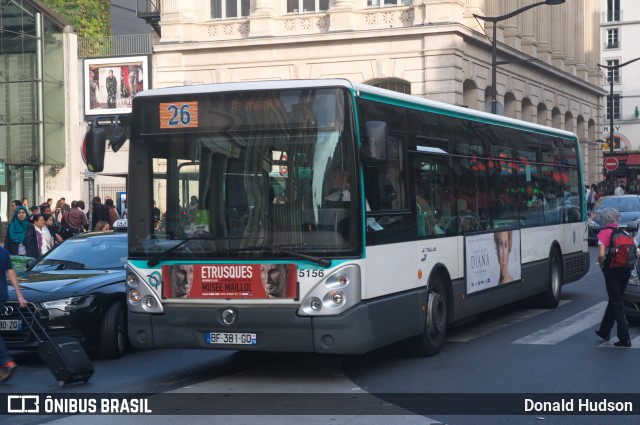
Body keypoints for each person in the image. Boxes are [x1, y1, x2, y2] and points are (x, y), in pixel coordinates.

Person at [595, 207, 632, 347]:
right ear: (617, 219)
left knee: (616, 301)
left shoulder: (604, 233)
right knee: (615, 298)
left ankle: (624, 337)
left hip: (612, 269)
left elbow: (600, 254)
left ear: (604, 220)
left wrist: (602, 267)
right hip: (626, 270)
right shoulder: (624, 232)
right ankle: (604, 331)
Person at [0, 245, 28, 382]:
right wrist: (20, 296)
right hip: (2, 298)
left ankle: (6, 361)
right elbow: (11, 274)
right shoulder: (4, 252)